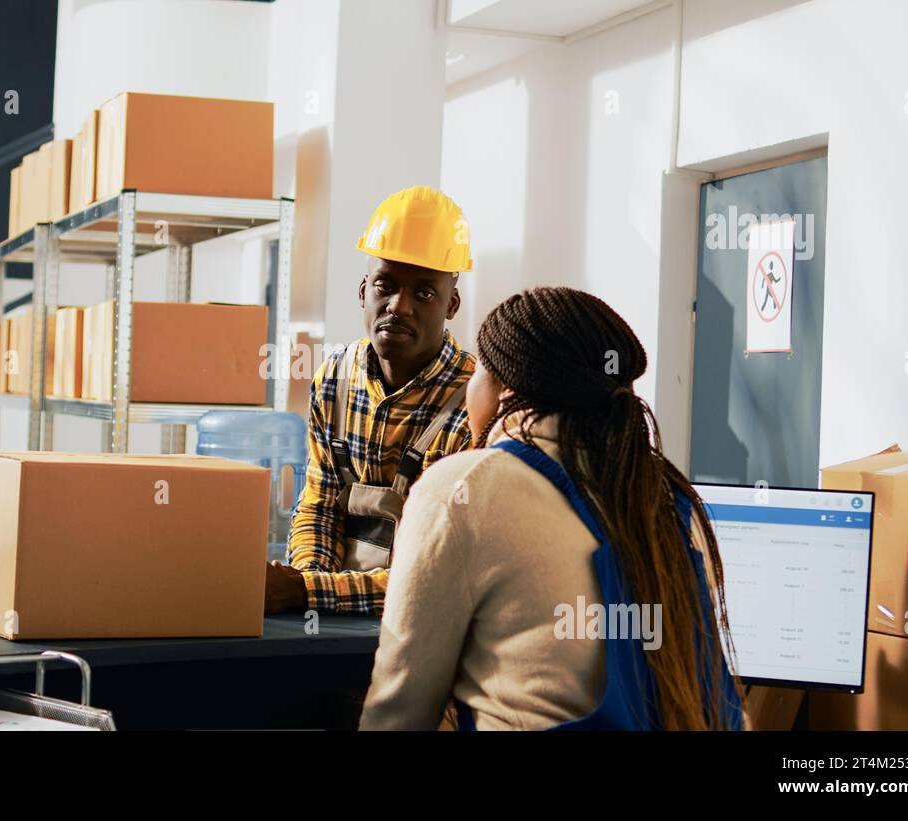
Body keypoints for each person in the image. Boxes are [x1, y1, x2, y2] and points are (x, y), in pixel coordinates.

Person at [359, 287, 743, 730]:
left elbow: (399, 713)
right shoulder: (670, 500)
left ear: (504, 389)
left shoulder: (465, 487)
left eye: (478, 370)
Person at [264, 186, 475, 616]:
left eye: (424, 293)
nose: (399, 306)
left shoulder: (473, 404)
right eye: (386, 285)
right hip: (334, 617)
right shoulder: (333, 381)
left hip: (424, 629)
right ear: (364, 291)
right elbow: (319, 506)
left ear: (451, 304)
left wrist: (307, 593)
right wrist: (307, 584)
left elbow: (438, 576)